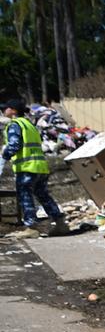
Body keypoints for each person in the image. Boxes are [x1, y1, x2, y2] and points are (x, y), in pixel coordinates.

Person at [3, 99, 67, 238]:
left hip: (27, 168)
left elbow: (14, 145)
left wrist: (4, 155)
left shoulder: (15, 125)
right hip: (40, 167)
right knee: (43, 195)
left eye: (5, 108)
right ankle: (60, 223)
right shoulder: (29, 125)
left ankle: (31, 227)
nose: (3, 110)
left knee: (25, 196)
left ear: (13, 111)